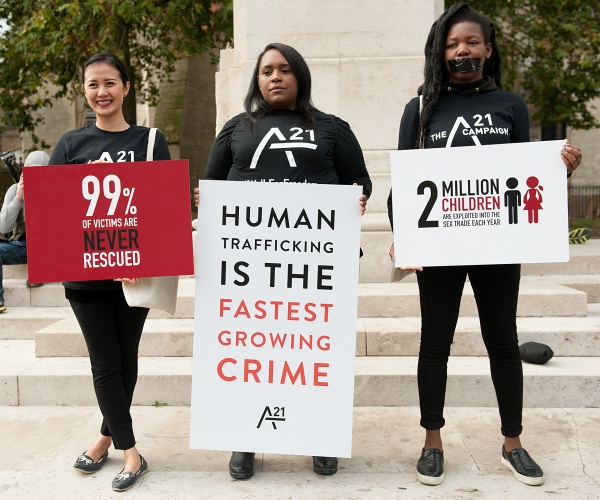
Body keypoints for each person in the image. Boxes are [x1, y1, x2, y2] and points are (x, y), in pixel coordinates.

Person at [387, 3, 582, 487]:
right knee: (435, 343)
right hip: (439, 248)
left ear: (488, 49)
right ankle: (432, 442)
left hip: (497, 244)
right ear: (440, 52)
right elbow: (404, 184)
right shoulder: (420, 109)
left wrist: (563, 170)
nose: (462, 50)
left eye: (471, 42)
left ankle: (512, 443)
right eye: (452, 44)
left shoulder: (511, 105)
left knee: (502, 343)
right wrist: (402, 236)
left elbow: (529, 177)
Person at [194, 42, 371, 480]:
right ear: (256, 80)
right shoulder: (236, 128)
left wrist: (360, 197)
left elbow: (359, 179)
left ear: (300, 77)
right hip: (248, 265)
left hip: (315, 263)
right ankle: (245, 439)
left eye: (285, 69)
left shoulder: (332, 127)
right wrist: (203, 200)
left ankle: (320, 436)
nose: (276, 77)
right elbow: (211, 185)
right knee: (255, 353)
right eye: (267, 70)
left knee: (312, 354)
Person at [48, 52, 171, 492]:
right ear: (84, 91)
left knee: (126, 360)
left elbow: (160, 209)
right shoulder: (68, 145)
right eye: (93, 84)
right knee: (105, 364)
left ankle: (103, 439)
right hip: (85, 279)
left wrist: (142, 260)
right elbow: (59, 216)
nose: (102, 92)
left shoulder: (149, 140)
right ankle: (131, 452)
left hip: (134, 276)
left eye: (110, 83)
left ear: (126, 87)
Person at [0, 151, 48, 312]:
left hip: (49, 247)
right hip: (23, 245)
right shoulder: (15, 190)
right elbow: (3, 227)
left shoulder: (55, 189)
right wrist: (19, 198)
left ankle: (38, 272)